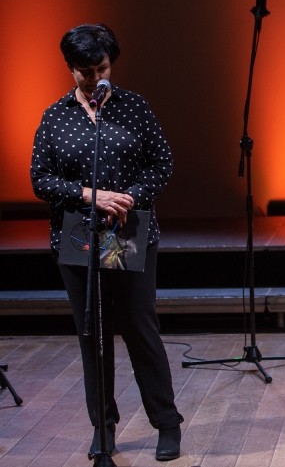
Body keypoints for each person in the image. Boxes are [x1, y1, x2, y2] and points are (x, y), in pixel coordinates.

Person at [30, 23, 183, 461]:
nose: (97, 79)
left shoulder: (134, 107)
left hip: (126, 232)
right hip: (78, 234)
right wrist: (87, 194)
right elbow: (40, 179)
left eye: (103, 68)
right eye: (86, 71)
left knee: (138, 326)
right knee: (91, 332)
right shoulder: (55, 116)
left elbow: (162, 163)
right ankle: (104, 425)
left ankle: (166, 423)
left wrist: (130, 196)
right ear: (69, 69)